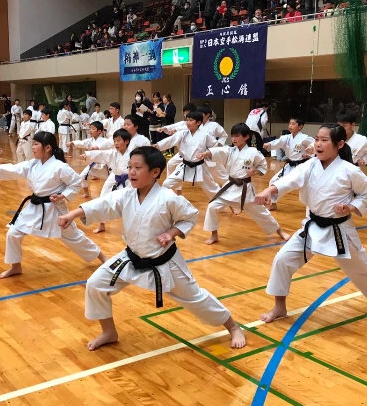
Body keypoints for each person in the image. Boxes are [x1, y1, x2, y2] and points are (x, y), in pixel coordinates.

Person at [57, 146, 246, 351]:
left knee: (196, 299)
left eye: (138, 167)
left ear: (155, 172)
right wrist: (73, 214)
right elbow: (104, 204)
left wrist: (171, 233)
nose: (131, 172)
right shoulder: (127, 194)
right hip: (131, 258)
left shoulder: (169, 198)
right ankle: (109, 332)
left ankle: (233, 327)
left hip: (164, 262)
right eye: (130, 166)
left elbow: (189, 216)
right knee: (95, 284)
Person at [254, 124, 367, 322]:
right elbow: (291, 179)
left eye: (324, 140)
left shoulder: (350, 170)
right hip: (312, 227)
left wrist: (351, 207)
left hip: (339, 230)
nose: (318, 144)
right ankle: (279, 307)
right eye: (317, 139)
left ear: (339, 144)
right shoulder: (310, 165)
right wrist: (270, 190)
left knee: (363, 270)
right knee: (282, 259)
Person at [0, 131, 106, 279]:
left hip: (55, 209)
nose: (33, 147)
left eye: (36, 144)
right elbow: (15, 169)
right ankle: (15, 266)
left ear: (47, 148)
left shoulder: (59, 166)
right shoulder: (34, 164)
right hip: (35, 206)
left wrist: (62, 195)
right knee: (13, 233)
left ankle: (102, 257)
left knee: (74, 237)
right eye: (33, 144)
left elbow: (76, 182)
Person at [198, 123, 290, 245]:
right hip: (230, 187)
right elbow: (218, 151)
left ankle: (280, 231)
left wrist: (255, 171)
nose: (234, 139)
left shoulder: (253, 152)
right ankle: (214, 235)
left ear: (246, 137)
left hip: (245, 190)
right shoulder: (230, 150)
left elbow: (262, 168)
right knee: (212, 207)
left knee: (261, 212)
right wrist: (205, 154)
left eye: (237, 136)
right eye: (232, 136)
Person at [154, 111, 222, 198]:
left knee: (213, 189)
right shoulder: (183, 133)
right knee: (167, 184)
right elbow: (171, 140)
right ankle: (169, 202)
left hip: (200, 166)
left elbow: (215, 147)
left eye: (190, 120)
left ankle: (228, 202)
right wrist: (158, 145)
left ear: (198, 122)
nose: (188, 123)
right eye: (187, 120)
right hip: (184, 166)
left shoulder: (205, 135)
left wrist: (205, 153)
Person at [81, 129, 132, 234]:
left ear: (126, 141)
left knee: (130, 203)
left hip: (129, 180)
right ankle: (101, 224)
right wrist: (88, 155)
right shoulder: (112, 153)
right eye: (114, 141)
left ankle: (131, 227)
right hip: (114, 177)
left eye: (119, 140)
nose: (116, 143)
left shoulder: (132, 154)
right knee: (103, 197)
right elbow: (101, 154)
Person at [263, 117, 314, 210]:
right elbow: (278, 142)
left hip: (302, 166)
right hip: (290, 165)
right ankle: (273, 203)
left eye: (293, 124)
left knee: (309, 187)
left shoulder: (304, 138)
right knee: (273, 181)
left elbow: (314, 144)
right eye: (290, 123)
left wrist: (310, 150)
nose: (290, 126)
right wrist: (269, 144)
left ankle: (312, 207)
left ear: (300, 126)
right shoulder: (287, 137)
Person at [69, 121, 109, 198]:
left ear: (99, 131)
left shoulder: (105, 141)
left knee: (109, 182)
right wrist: (72, 142)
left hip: (103, 166)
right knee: (82, 176)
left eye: (93, 129)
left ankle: (107, 195)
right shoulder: (90, 140)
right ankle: (87, 193)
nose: (90, 130)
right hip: (93, 165)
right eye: (90, 128)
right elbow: (82, 143)